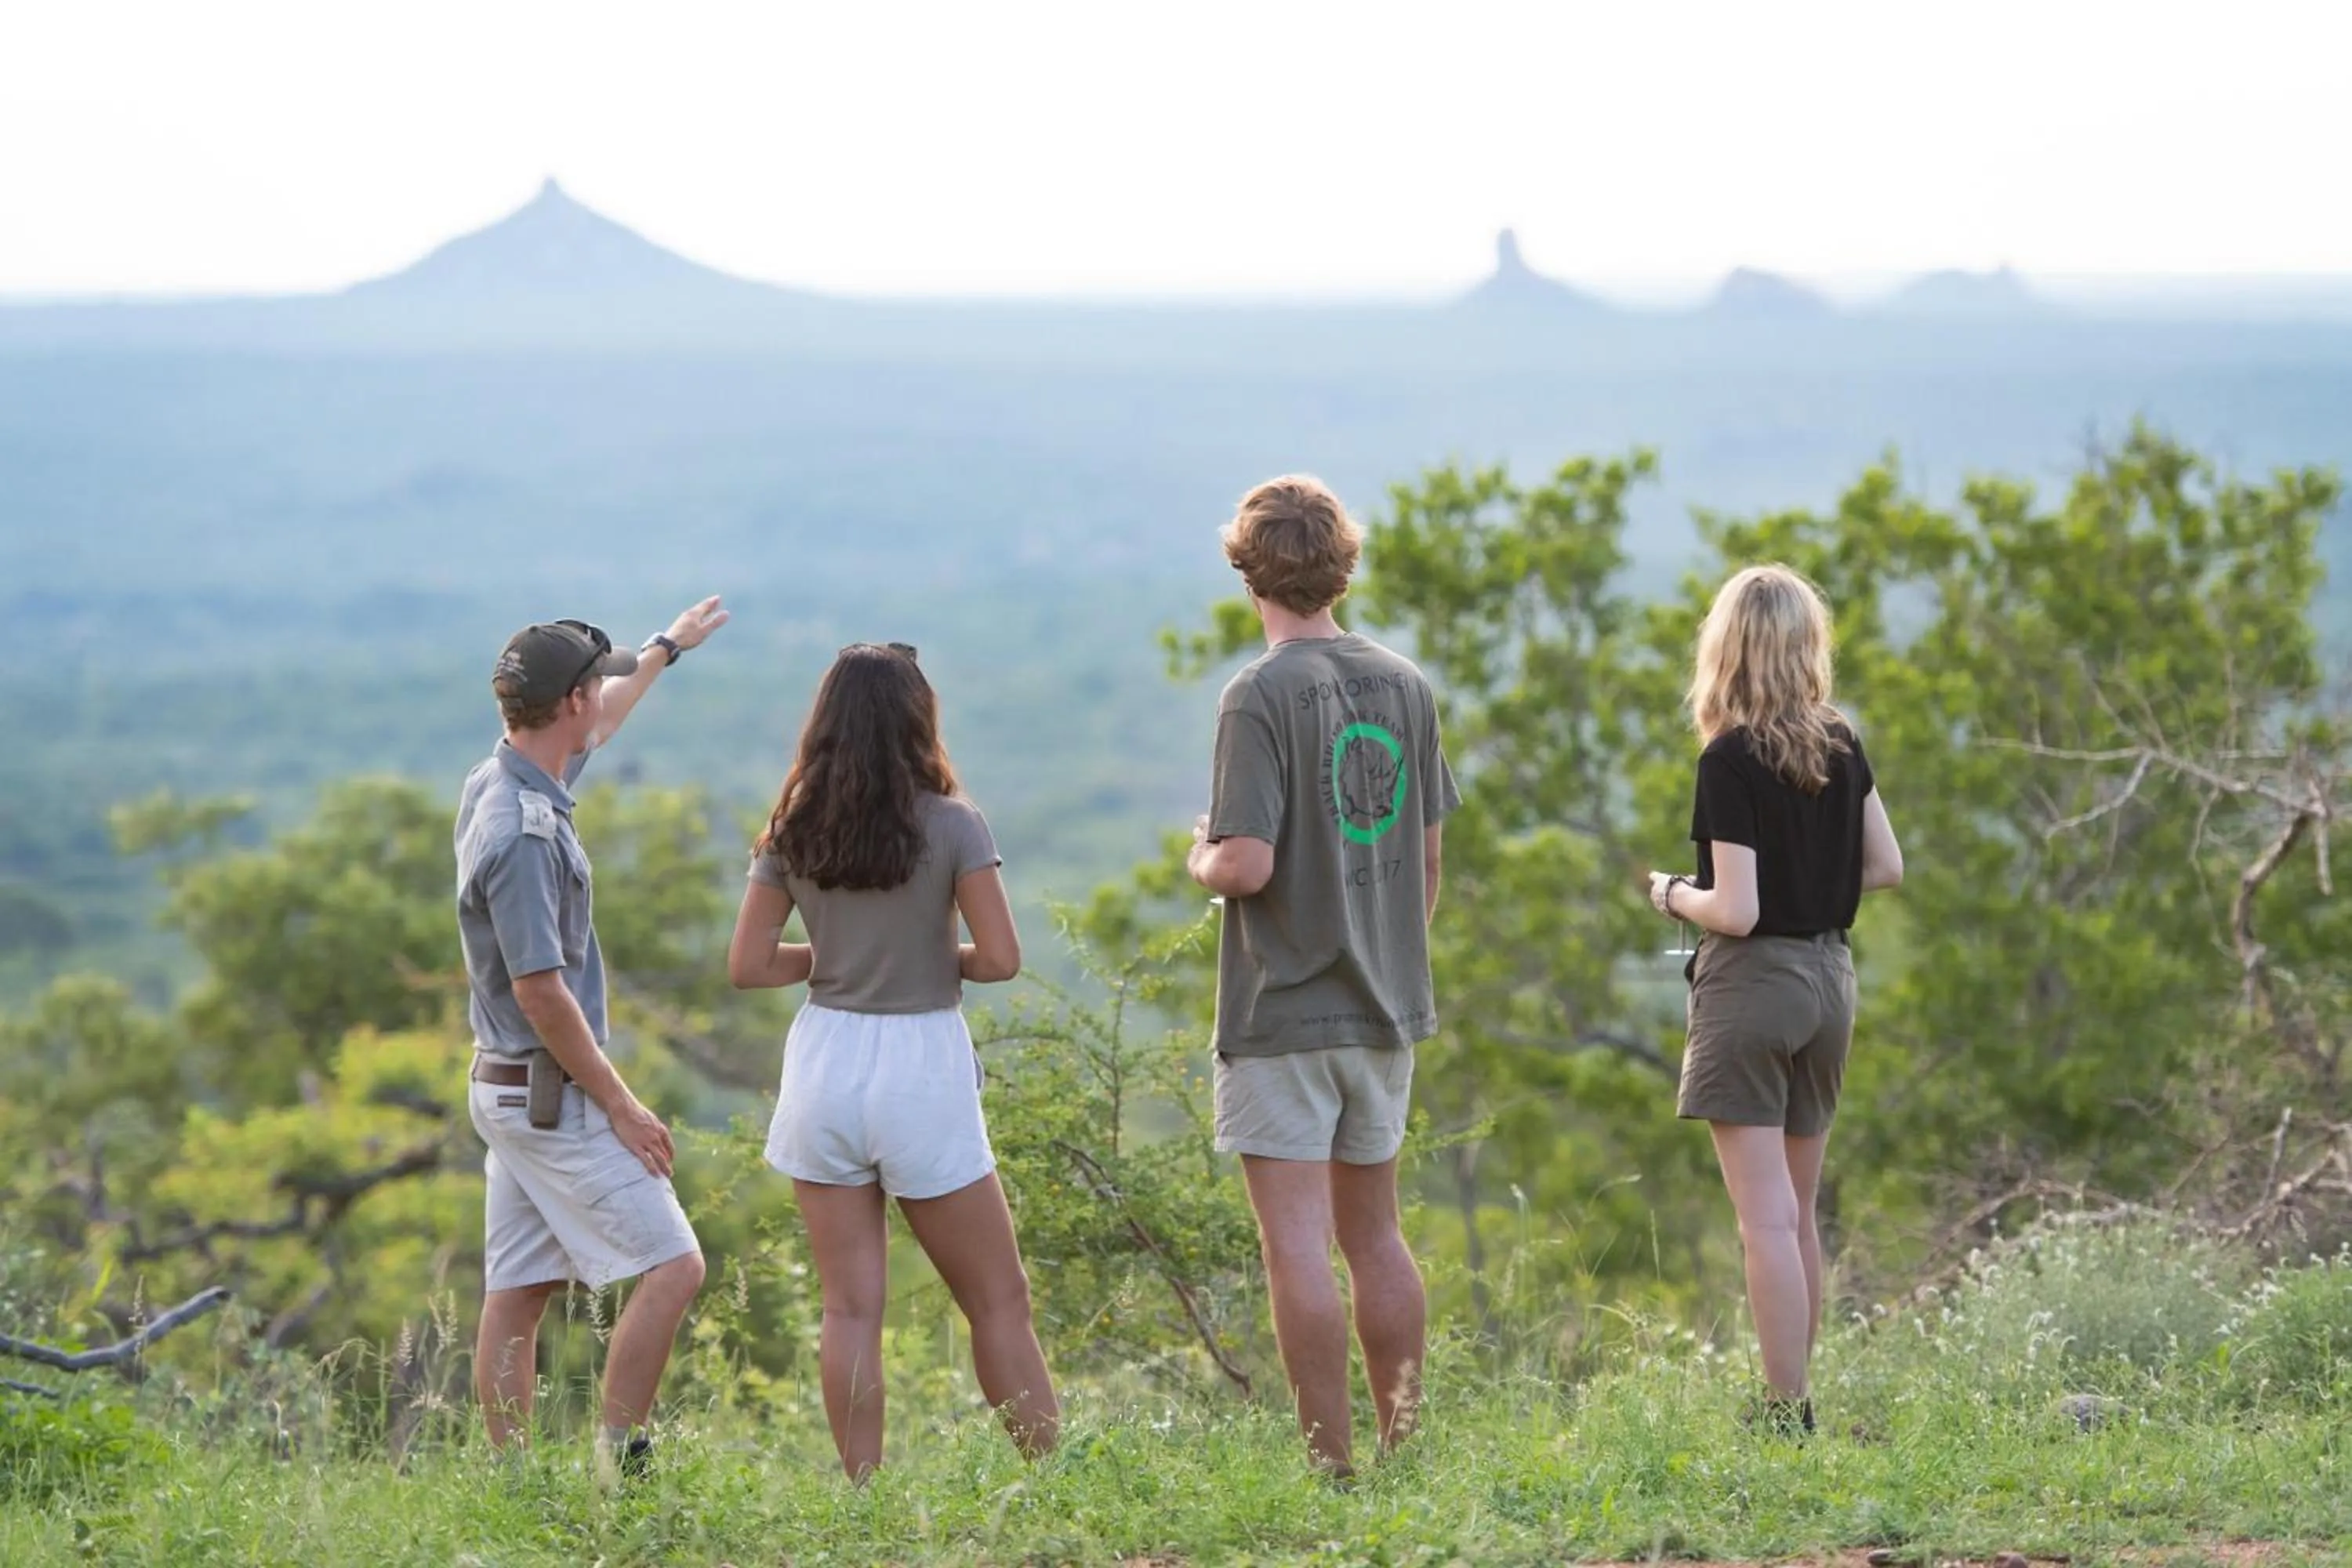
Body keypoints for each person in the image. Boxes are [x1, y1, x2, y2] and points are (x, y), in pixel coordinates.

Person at [728, 641, 1058, 1481]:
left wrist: (834, 955)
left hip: (826, 1062)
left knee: (848, 1306)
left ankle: (865, 1493)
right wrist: (923, 950)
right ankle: (1053, 1476)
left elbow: (751, 965)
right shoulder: (954, 823)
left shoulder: (794, 825)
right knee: (997, 1299)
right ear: (919, 716)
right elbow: (1000, 958)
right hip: (921, 1064)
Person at [1186, 475, 1460, 1478]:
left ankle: (1331, 1465)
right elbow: (1425, 864)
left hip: (1283, 1012)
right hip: (1384, 1008)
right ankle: (1406, 1446)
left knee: (1297, 1247)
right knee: (1376, 1234)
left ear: (1249, 570)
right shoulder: (1404, 681)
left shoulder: (1256, 694)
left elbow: (1246, 863)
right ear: (1341, 562)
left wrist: (1199, 858)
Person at [455, 597, 729, 1484]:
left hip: (504, 1088)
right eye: (593, 689)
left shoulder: (501, 775)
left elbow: (600, 724)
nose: (600, 705)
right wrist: (622, 1103)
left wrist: (664, 649)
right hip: (548, 1089)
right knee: (675, 1264)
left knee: (521, 1288)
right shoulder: (525, 833)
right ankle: (623, 1467)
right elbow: (542, 993)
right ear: (568, 701)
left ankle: (512, 1486)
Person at [1644, 564, 1904, 1437]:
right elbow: (1887, 867)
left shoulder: (1728, 758)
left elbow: (1738, 909)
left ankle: (1786, 1409)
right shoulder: (1841, 739)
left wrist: (1672, 892)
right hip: (1832, 981)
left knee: (1763, 1219)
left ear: (1726, 647)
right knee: (1798, 1211)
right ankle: (1794, 1395)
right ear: (1806, 645)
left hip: (1753, 987)